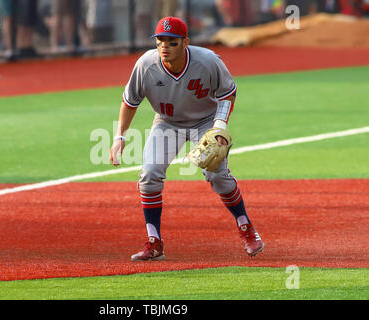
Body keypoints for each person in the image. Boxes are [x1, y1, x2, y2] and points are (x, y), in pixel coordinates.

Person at [110, 17, 265, 261]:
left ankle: (247, 229)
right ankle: (154, 242)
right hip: (167, 122)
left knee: (217, 176)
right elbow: (130, 102)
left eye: (172, 42)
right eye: (160, 41)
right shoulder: (146, 65)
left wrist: (219, 128)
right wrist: (120, 136)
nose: (164, 47)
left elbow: (228, 93)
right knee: (149, 175)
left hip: (205, 121)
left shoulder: (208, 61)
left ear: (185, 43)